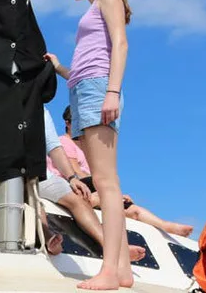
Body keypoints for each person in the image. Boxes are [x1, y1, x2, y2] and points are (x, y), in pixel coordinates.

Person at [42, 0, 132, 290]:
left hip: (98, 89)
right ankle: (122, 269)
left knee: (106, 183)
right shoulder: (93, 6)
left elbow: (120, 44)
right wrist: (60, 68)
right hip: (83, 90)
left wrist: (113, 92)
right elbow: (84, 67)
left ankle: (110, 270)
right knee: (104, 181)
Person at [58, 106, 194, 237]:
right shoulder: (65, 142)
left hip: (93, 187)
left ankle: (166, 226)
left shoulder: (85, 147)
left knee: (133, 211)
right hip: (79, 187)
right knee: (114, 198)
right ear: (68, 123)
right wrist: (109, 191)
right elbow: (76, 172)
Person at [40, 106, 147, 261]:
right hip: (12, 173)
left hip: (40, 175)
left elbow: (53, 146)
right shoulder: (67, 143)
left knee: (79, 199)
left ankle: (112, 248)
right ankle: (48, 237)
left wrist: (72, 178)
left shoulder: (41, 110)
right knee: (31, 200)